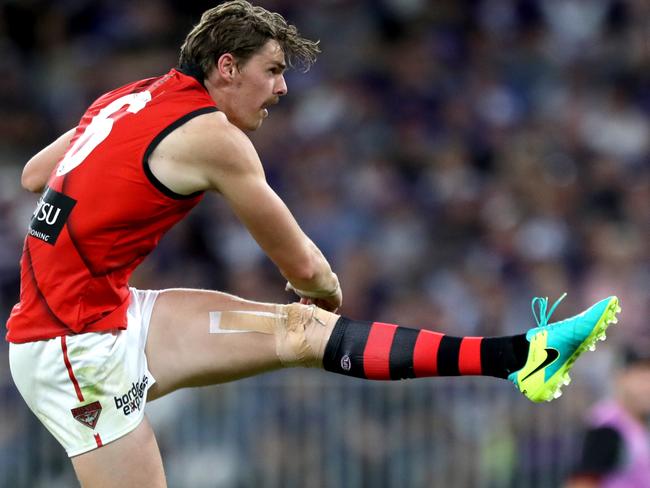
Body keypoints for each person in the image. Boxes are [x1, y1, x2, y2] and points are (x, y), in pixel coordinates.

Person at [5, 1, 620, 486]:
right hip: (71, 350)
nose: (281, 89)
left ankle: (521, 357)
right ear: (226, 66)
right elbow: (310, 269)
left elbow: (37, 174)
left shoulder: (126, 97)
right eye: (271, 71)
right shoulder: (211, 136)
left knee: (299, 334)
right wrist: (323, 298)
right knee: (308, 323)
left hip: (104, 317)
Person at [565, 346, 650, 488]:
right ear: (621, 378)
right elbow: (581, 482)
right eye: (642, 377)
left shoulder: (638, 423)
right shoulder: (608, 427)